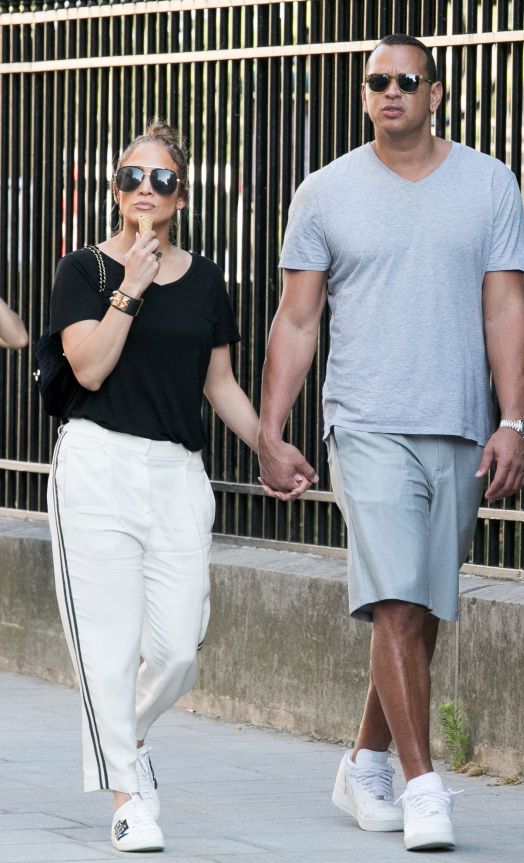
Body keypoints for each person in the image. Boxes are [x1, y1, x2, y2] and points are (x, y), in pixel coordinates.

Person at [258, 34, 524, 853]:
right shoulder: (327, 190)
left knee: (421, 605)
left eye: (405, 80)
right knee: (399, 598)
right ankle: (423, 786)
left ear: (436, 91)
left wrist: (513, 419)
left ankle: (365, 760)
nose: (389, 92)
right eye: (376, 81)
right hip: (366, 420)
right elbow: (297, 320)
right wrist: (272, 431)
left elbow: (506, 308)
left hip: (455, 422)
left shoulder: (489, 183)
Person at [47, 121, 258, 854]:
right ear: (115, 190)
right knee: (107, 645)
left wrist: (269, 443)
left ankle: (122, 742)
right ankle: (129, 797)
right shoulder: (83, 272)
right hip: (97, 465)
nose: (146, 188)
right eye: (133, 176)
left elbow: (220, 382)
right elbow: (91, 368)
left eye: (161, 179)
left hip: (176, 472)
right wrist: (131, 286)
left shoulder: (204, 280)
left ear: (181, 195)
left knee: (178, 647)